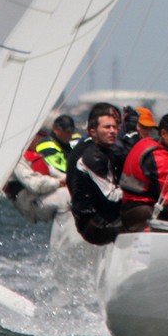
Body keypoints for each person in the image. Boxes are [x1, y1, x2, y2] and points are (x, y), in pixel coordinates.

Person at [67, 103, 124, 245]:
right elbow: (111, 196)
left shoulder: (100, 148)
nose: (113, 131)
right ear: (92, 131)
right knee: (142, 218)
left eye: (115, 127)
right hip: (94, 225)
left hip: (103, 216)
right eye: (107, 127)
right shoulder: (92, 156)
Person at [5, 133, 70, 223]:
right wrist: (58, 183)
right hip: (30, 204)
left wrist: (73, 180)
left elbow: (55, 173)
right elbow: (34, 185)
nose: (40, 139)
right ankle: (64, 236)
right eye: (39, 136)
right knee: (66, 197)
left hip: (41, 197)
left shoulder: (36, 156)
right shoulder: (17, 161)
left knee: (77, 192)